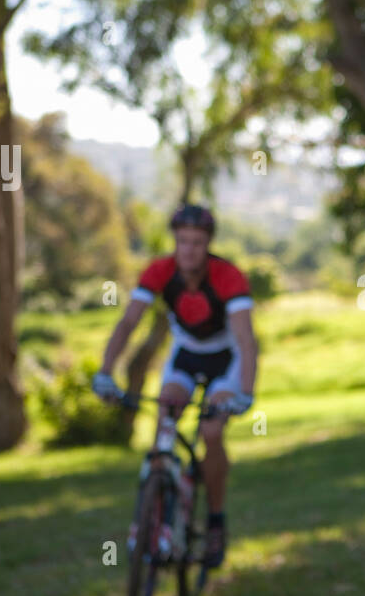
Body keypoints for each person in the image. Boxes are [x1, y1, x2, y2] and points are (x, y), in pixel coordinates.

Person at [93, 204, 258, 569]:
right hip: (185, 355)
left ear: (208, 245)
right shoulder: (160, 271)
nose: (189, 250)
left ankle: (215, 520)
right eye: (182, 241)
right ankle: (159, 508)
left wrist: (245, 392)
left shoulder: (228, 276)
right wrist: (106, 372)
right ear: (175, 242)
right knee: (165, 411)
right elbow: (127, 324)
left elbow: (246, 340)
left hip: (224, 359)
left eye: (197, 242)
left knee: (211, 431)